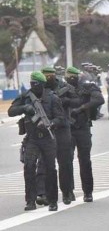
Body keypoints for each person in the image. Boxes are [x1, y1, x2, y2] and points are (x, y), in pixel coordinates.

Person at [8, 72, 66, 211]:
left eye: (36, 84)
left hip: (47, 138)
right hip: (32, 138)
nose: (34, 87)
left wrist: (51, 124)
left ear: (42, 84)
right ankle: (30, 201)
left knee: (50, 169)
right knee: (29, 167)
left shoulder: (52, 98)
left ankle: (52, 200)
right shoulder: (26, 97)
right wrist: (24, 108)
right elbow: (11, 111)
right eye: (32, 84)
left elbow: (61, 118)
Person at [61, 66, 105, 203]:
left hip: (83, 127)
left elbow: (99, 100)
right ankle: (67, 192)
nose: (70, 80)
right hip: (67, 128)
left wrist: (81, 108)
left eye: (72, 77)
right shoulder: (61, 89)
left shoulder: (87, 87)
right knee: (66, 162)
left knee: (85, 161)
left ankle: (88, 192)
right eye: (68, 77)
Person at [39, 67, 75, 205]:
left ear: (54, 75)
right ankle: (47, 194)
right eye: (46, 76)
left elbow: (77, 99)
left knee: (65, 162)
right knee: (46, 163)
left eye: (50, 76)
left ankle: (67, 191)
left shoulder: (65, 87)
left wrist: (66, 101)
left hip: (62, 127)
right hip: (45, 129)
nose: (48, 79)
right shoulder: (38, 90)